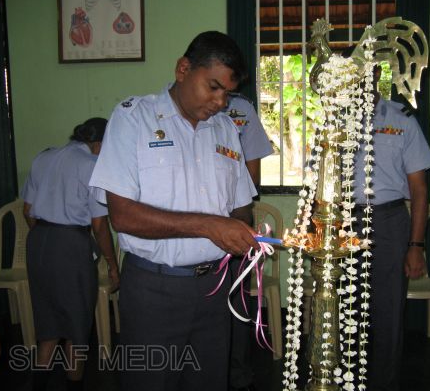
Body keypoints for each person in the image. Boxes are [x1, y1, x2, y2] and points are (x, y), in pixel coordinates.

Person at [89, 31, 260, 391]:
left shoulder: (226, 129)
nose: (220, 102)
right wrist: (209, 226)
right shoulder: (134, 119)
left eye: (227, 93)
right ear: (183, 69)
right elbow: (122, 216)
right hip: (154, 290)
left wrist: (239, 231)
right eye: (213, 87)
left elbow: (242, 206)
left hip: (215, 289)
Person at [352, 65, 430, 391]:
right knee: (343, 310)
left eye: (366, 72)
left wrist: (416, 246)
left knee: (387, 312)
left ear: (376, 74)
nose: (360, 79)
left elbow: (419, 190)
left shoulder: (402, 120)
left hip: (387, 222)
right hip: (343, 223)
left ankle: (383, 384)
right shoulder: (335, 121)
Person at [21, 118, 120, 391]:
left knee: (48, 323)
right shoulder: (92, 166)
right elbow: (99, 225)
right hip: (70, 245)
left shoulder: (43, 157)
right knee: (77, 325)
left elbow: (27, 210)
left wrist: (47, 236)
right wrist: (112, 264)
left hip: (38, 241)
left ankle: (38, 385)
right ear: (99, 144)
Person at [223, 93, 273, 391]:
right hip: (198, 220)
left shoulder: (241, 109)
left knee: (236, 296)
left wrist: (233, 215)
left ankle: (238, 372)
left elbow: (252, 175)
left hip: (235, 214)